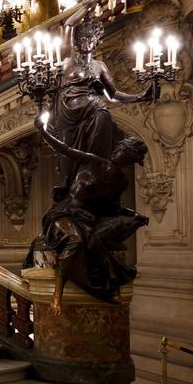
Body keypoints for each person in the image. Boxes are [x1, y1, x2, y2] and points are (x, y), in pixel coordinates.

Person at [28, 116, 148, 314]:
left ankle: (105, 282)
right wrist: (43, 132)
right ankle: (57, 295)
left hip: (88, 218)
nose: (120, 153)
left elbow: (114, 208)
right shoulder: (93, 161)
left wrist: (135, 216)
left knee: (107, 233)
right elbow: (65, 150)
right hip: (63, 214)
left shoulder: (121, 181)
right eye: (122, 149)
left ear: (131, 160)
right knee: (75, 240)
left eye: (127, 153)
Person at [48, 0, 154, 190]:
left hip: (94, 108)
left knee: (103, 117)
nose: (86, 41)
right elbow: (69, 25)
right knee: (67, 149)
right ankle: (67, 185)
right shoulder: (67, 59)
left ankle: (95, 171)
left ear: (96, 41)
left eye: (90, 38)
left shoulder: (100, 67)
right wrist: (84, 9)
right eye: (82, 38)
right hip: (69, 112)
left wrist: (140, 96)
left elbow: (113, 95)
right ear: (76, 41)